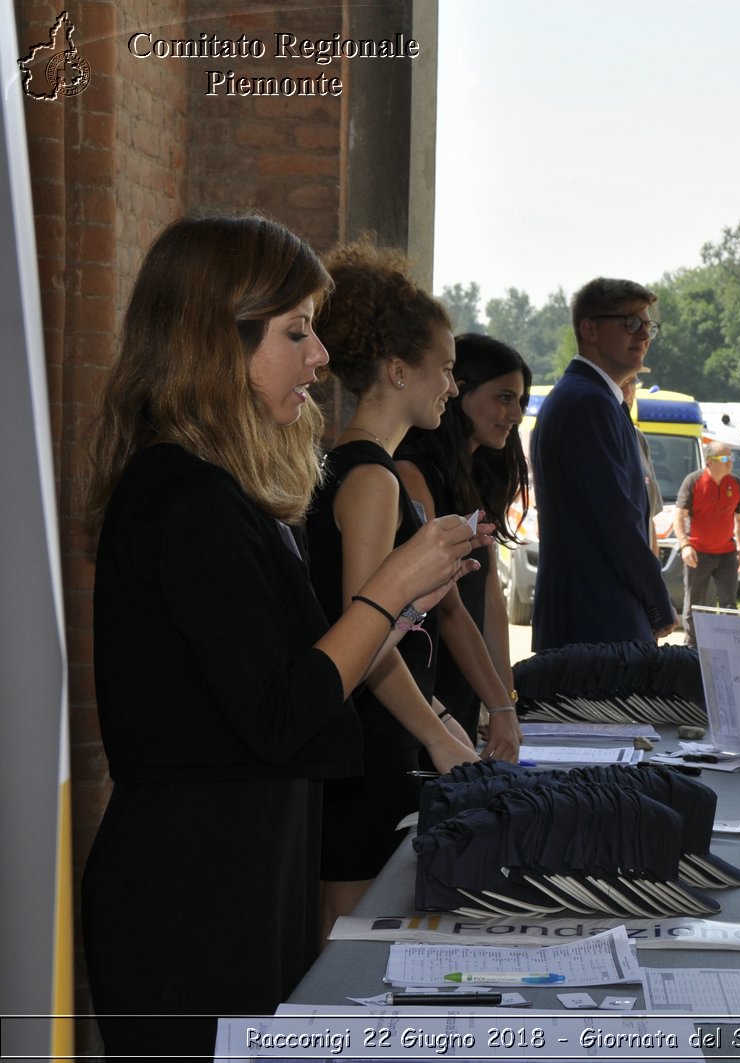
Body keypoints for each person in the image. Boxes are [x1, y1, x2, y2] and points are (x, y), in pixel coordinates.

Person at [80, 215, 485, 1055]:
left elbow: (300, 671)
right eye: (296, 331)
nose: (320, 356)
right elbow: (283, 706)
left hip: (243, 872)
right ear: (213, 339)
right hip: (190, 893)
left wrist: (404, 604)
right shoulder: (181, 495)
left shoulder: (224, 489)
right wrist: (391, 588)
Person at [307, 244, 512, 932]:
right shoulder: (370, 478)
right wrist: (439, 736)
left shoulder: (368, 469)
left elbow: (396, 621)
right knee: (351, 936)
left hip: (387, 733)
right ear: (397, 369)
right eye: (447, 369)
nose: (452, 387)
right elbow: (364, 632)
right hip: (369, 743)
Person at [395, 332, 532, 759]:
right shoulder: (412, 470)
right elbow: (448, 605)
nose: (516, 414)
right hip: (425, 685)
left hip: (468, 684)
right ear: (461, 391)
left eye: (521, 401)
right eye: (504, 398)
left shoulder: (475, 474)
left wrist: (504, 700)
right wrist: (499, 702)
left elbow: (490, 597)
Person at [530, 277, 676, 650]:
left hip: (594, 618)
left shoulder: (592, 398)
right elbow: (614, 518)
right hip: (596, 622)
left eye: (649, 326)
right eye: (631, 323)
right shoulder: (588, 404)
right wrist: (658, 603)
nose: (644, 336)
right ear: (590, 329)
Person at [675, 441, 740, 647]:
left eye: (731, 458)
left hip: (727, 553)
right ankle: (691, 648)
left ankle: (728, 646)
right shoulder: (693, 481)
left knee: (728, 604)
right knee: (695, 604)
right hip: (698, 553)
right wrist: (684, 545)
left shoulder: (735, 483)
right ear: (709, 462)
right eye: (724, 459)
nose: (730, 463)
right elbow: (679, 515)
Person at [621, 371, 664, 551]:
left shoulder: (638, 438)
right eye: (623, 383)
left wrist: (654, 575)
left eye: (633, 383)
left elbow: (650, 521)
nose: (629, 391)